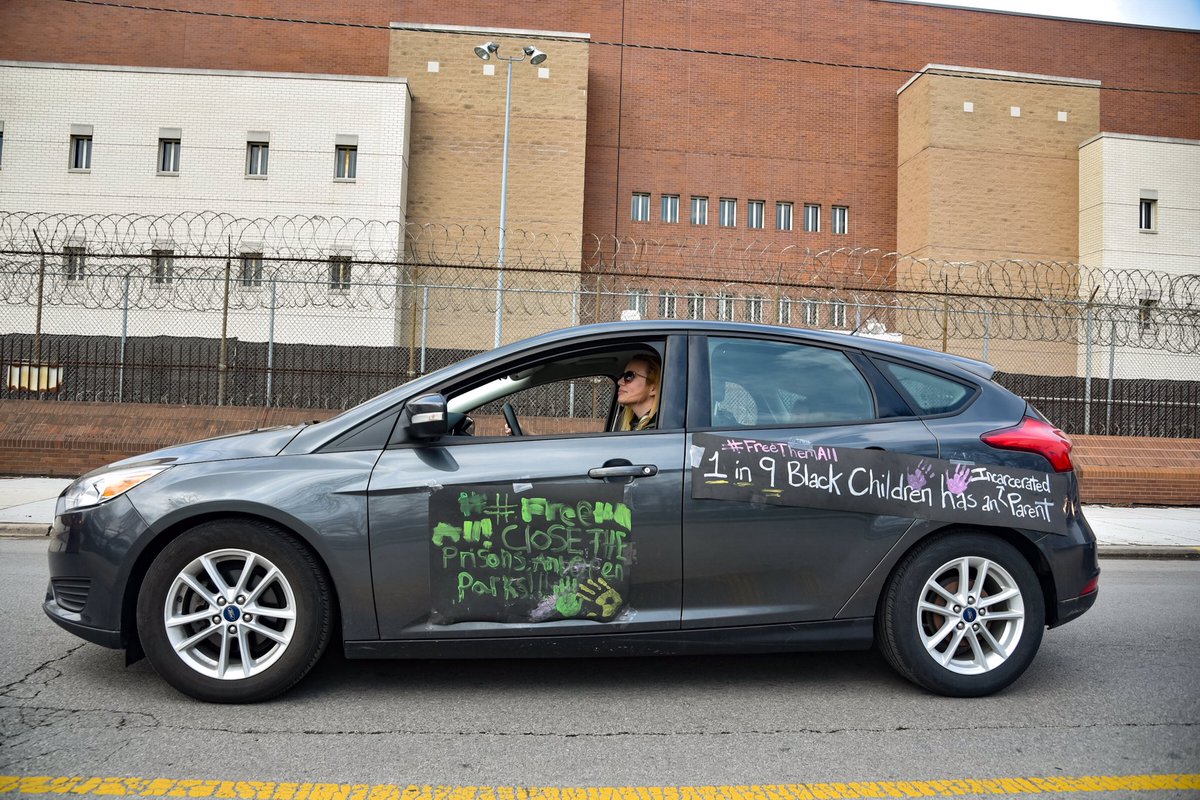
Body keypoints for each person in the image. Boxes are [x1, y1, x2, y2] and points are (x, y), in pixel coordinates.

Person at [613, 353, 660, 431]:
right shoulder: (632, 425)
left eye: (629, 376)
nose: (619, 382)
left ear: (653, 388)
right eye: (622, 375)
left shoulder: (655, 430)